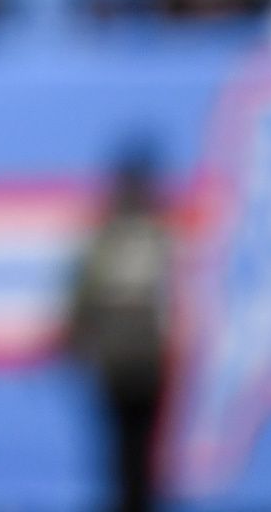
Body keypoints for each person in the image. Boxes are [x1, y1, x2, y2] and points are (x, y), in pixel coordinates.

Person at [63, 146, 175, 512]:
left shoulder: (109, 236)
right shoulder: (159, 233)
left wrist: (73, 341)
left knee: (126, 446)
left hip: (123, 359)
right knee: (138, 445)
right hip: (144, 359)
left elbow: (83, 296)